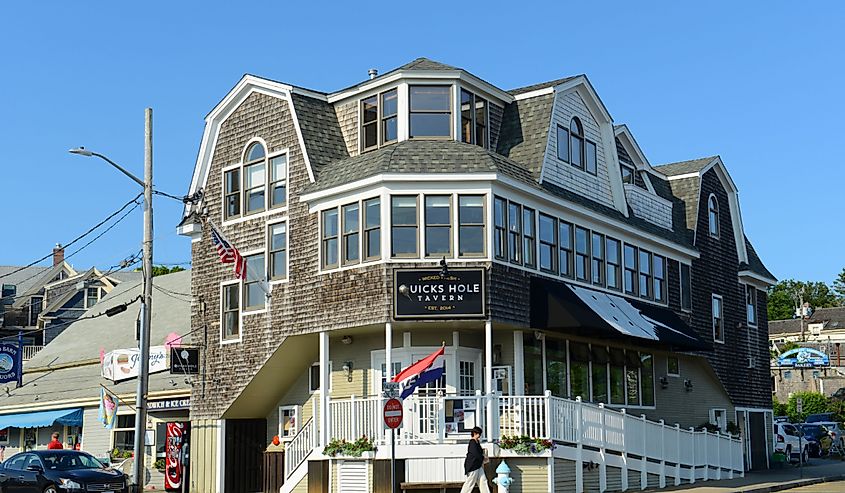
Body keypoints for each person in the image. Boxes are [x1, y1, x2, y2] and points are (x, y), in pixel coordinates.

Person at [461, 426, 489, 493]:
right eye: (477, 433)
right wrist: (483, 458)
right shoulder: (472, 442)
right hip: (472, 465)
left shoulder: (477, 442)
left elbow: (479, 452)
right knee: (470, 483)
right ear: (474, 433)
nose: (479, 435)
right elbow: (476, 454)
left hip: (478, 465)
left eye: (479, 433)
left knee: (483, 480)